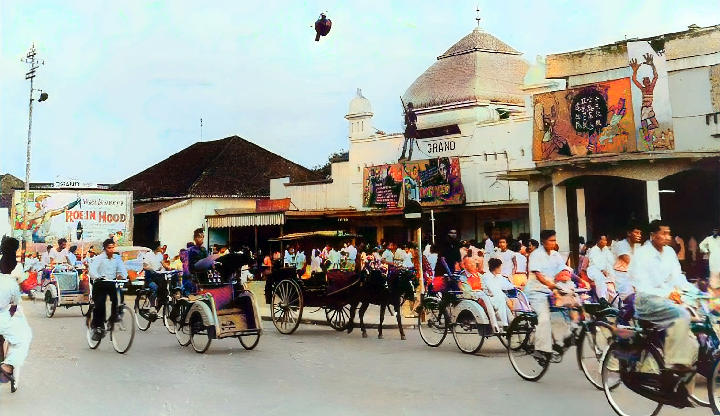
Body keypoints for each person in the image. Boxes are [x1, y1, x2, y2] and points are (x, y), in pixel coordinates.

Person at [629, 220, 699, 373]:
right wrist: (667, 293)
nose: (668, 237)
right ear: (653, 235)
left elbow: (678, 277)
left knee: (701, 315)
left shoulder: (669, 252)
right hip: (647, 301)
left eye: (669, 233)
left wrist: (695, 292)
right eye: (664, 233)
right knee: (682, 315)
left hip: (666, 300)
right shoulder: (642, 254)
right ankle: (676, 362)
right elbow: (641, 284)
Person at [526, 230, 575, 360]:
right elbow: (539, 276)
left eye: (555, 240)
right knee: (544, 318)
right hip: (536, 292)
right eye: (551, 240)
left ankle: (564, 340)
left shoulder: (555, 255)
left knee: (572, 310)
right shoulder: (536, 255)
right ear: (543, 241)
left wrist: (580, 280)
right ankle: (541, 350)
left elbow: (565, 269)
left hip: (552, 290)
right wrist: (551, 285)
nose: (554, 243)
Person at [0, 237, 32, 386]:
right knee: (22, 338)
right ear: (16, 249)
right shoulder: (17, 267)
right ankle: (7, 366)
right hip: (9, 310)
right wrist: (30, 293)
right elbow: (24, 286)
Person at [88, 238, 128, 341]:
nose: (111, 250)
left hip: (112, 283)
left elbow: (122, 270)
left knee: (118, 299)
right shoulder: (99, 258)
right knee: (100, 305)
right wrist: (97, 277)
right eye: (109, 248)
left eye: (113, 248)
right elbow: (92, 270)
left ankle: (113, 318)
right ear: (105, 249)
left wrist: (122, 276)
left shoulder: (117, 258)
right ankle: (97, 326)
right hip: (100, 283)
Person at [482, 258, 515, 328]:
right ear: (495, 268)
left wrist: (515, 286)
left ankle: (511, 321)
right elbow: (492, 290)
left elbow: (507, 285)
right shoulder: (486, 276)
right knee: (502, 300)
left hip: (499, 296)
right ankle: (504, 324)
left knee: (509, 300)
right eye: (500, 267)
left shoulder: (499, 276)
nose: (501, 269)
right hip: (490, 297)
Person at [613, 225, 643, 300]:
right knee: (630, 299)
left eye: (640, 233)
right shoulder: (621, 244)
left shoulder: (637, 246)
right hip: (621, 277)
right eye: (636, 233)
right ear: (629, 233)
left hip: (632, 276)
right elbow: (630, 261)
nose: (639, 235)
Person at [586, 234, 616, 301]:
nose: (605, 242)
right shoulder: (593, 250)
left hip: (605, 271)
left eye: (606, 240)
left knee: (612, 278)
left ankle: (615, 302)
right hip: (594, 270)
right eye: (603, 240)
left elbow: (611, 261)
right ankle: (602, 299)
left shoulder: (606, 249)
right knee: (600, 278)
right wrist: (602, 270)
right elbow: (596, 263)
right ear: (598, 241)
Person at [142, 241, 167, 311]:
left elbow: (163, 264)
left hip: (158, 277)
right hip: (150, 277)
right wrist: (152, 269)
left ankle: (160, 304)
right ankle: (152, 305)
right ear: (156, 247)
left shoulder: (160, 255)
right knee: (155, 288)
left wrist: (169, 267)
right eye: (159, 246)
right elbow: (145, 266)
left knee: (164, 289)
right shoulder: (148, 255)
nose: (160, 247)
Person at [699, 227, 720, 295]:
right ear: (712, 231)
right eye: (714, 231)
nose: (715, 232)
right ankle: (714, 292)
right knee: (713, 274)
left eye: (716, 231)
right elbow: (701, 245)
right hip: (713, 258)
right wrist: (706, 251)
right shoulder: (708, 239)